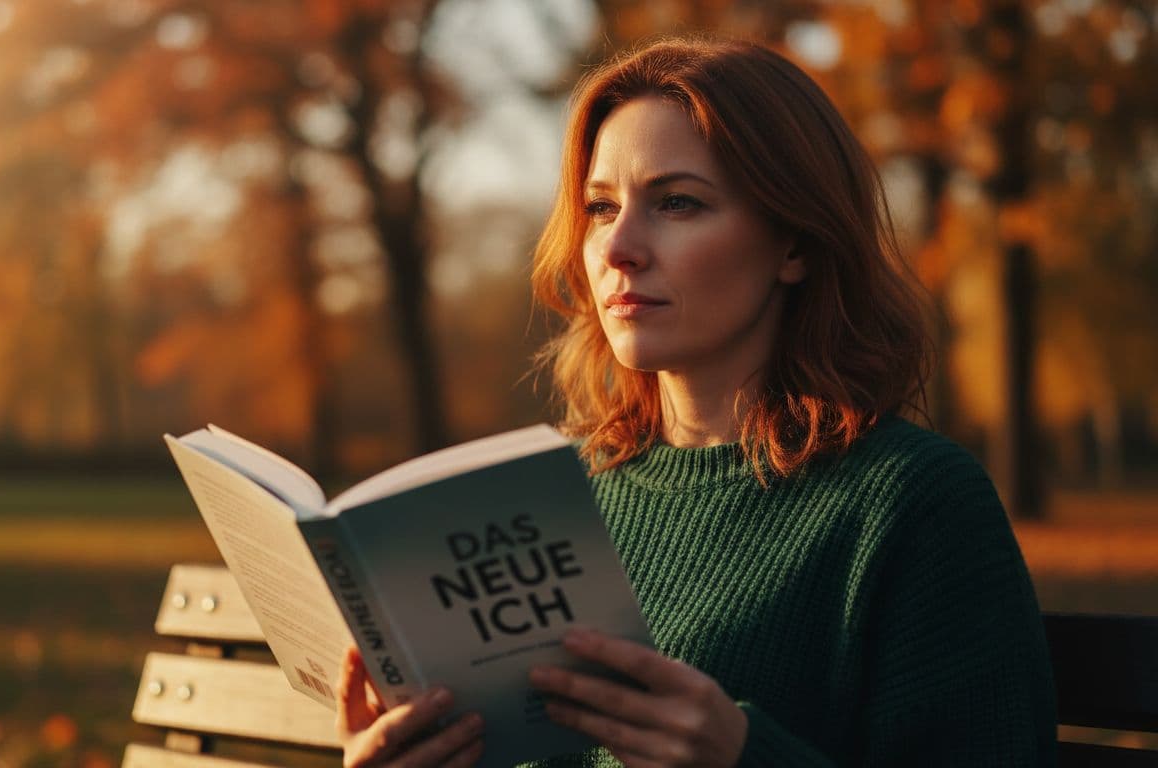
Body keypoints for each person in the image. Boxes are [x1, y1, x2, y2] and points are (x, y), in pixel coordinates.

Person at [336, 35, 1058, 767]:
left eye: (677, 203)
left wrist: (742, 758)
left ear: (795, 245)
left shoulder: (909, 504)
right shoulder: (559, 493)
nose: (618, 247)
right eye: (600, 207)